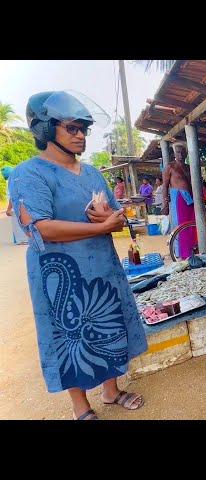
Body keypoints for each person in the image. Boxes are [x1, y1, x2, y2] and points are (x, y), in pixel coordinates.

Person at [8, 90, 148, 420]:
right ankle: (80, 405)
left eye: (83, 128)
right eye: (72, 128)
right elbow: (39, 227)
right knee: (71, 335)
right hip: (62, 275)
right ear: (44, 130)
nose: (81, 135)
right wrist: (99, 228)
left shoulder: (92, 174)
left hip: (101, 267)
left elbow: (116, 215)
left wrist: (113, 220)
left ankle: (111, 391)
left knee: (108, 326)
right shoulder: (29, 174)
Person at [161, 141, 199, 259]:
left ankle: (192, 252)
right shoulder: (170, 167)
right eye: (178, 152)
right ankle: (182, 254)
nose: (181, 154)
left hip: (191, 199)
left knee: (192, 226)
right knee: (180, 226)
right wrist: (165, 204)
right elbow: (165, 186)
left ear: (186, 153)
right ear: (174, 154)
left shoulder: (188, 167)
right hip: (178, 199)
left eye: (183, 152)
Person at [3, 166, 30, 245]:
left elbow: (13, 195)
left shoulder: (11, 181)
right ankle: (23, 239)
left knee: (18, 223)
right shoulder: (19, 180)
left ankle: (23, 240)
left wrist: (8, 209)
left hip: (17, 206)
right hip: (21, 205)